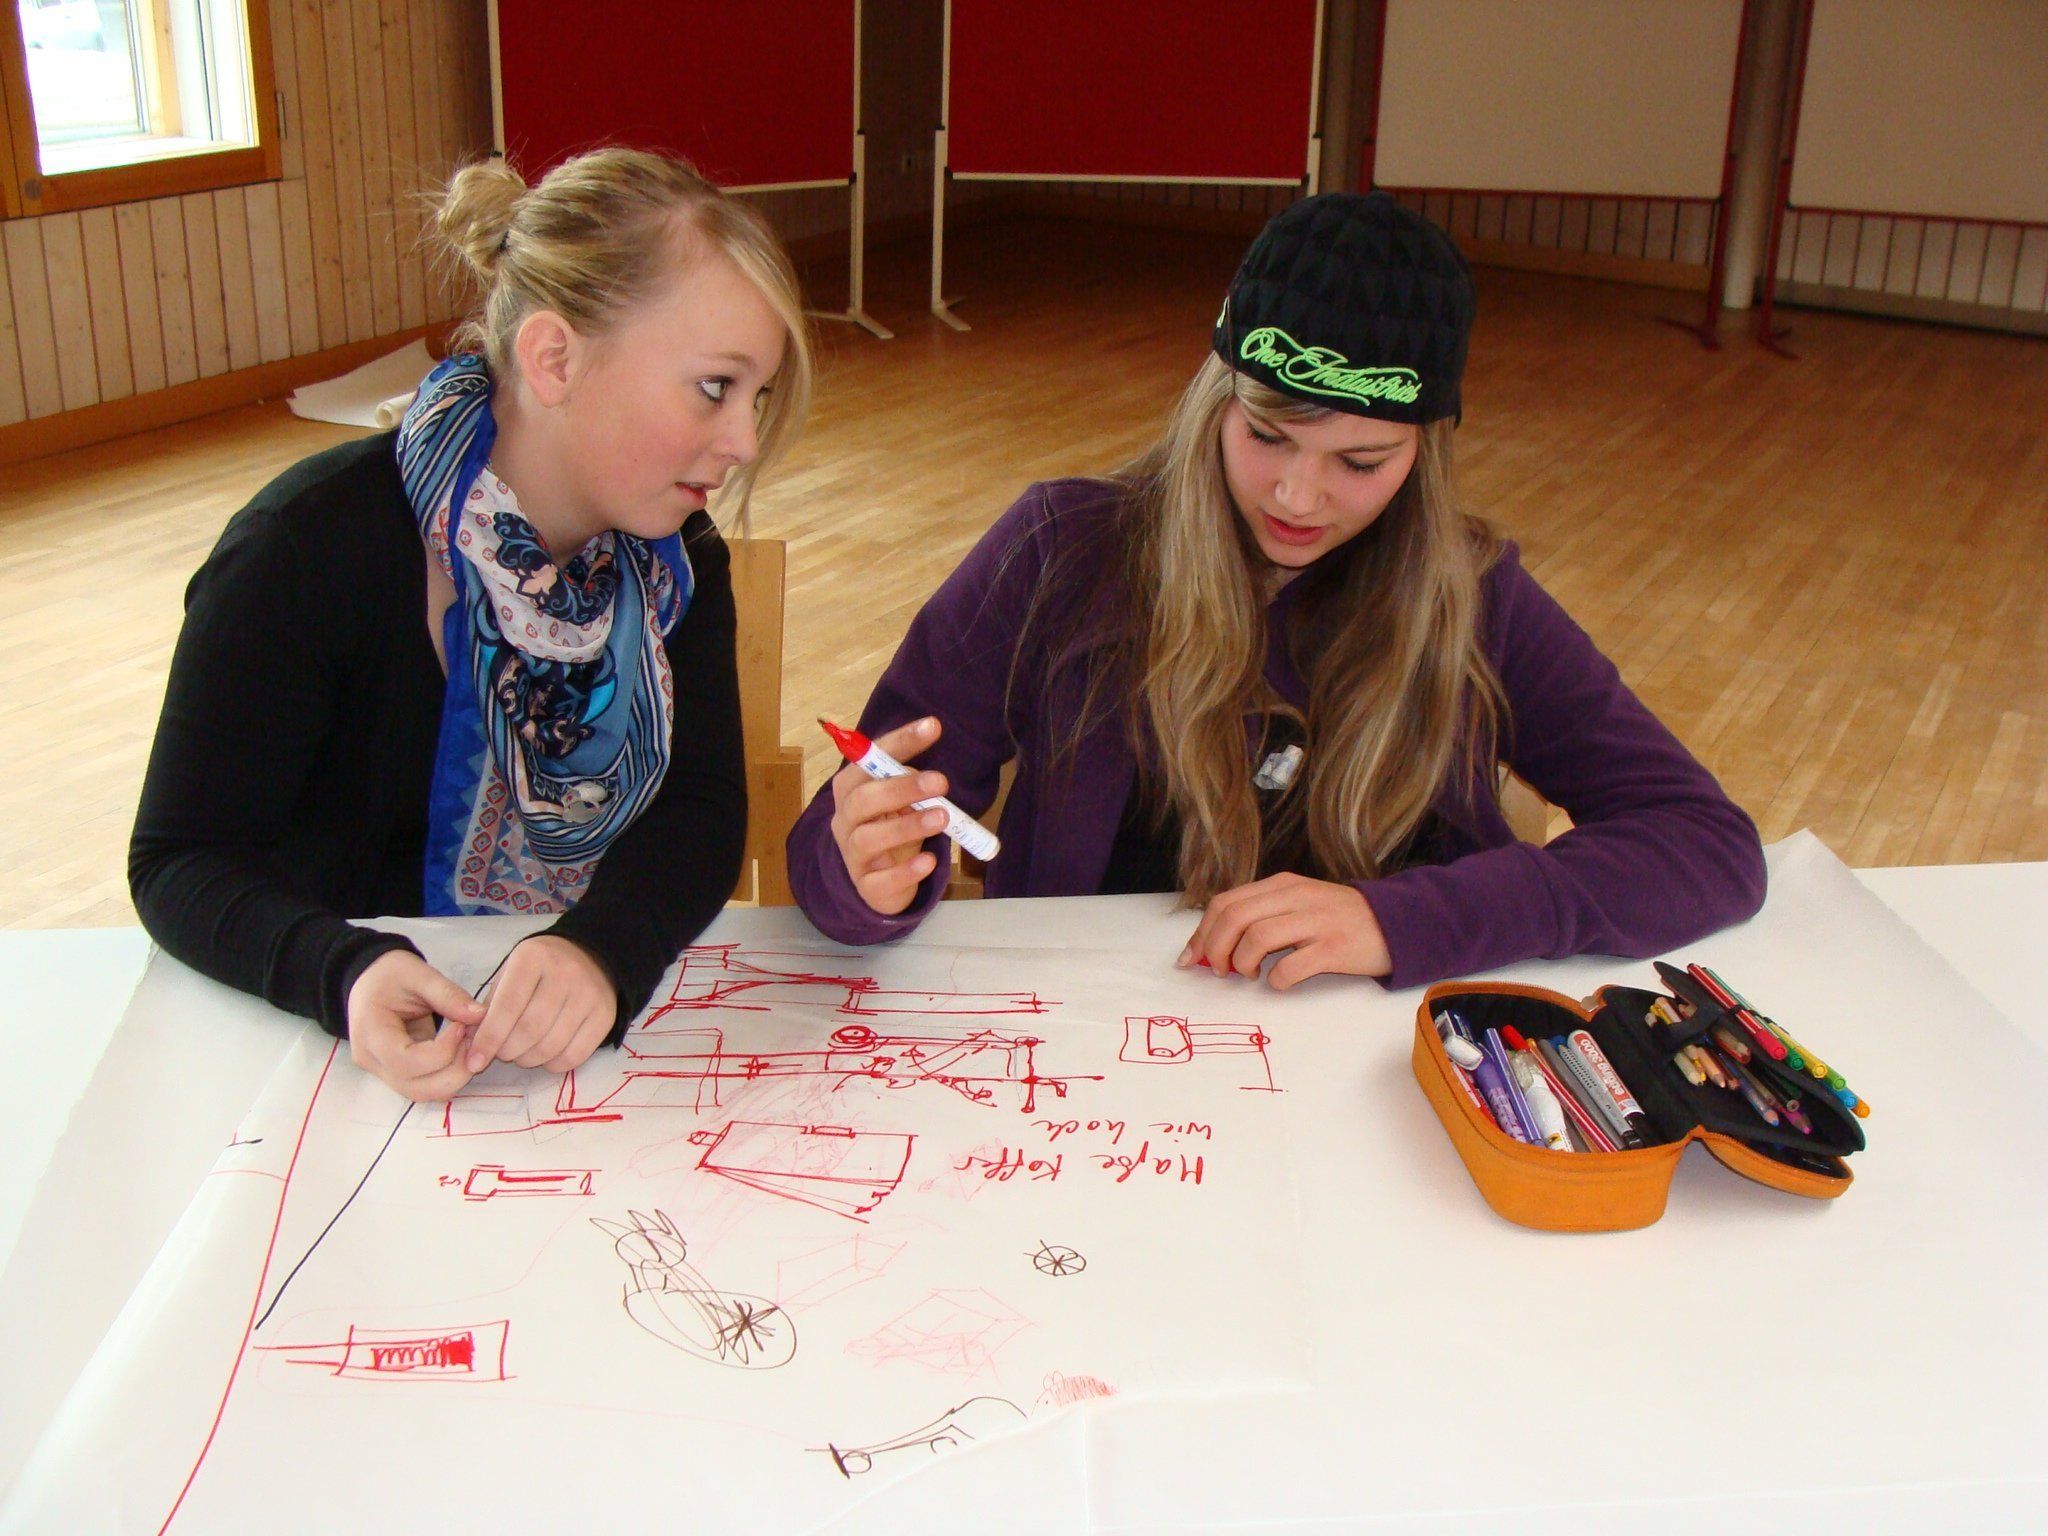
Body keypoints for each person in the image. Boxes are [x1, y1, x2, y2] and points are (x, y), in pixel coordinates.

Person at [786, 191, 1764, 989]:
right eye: (1265, 436)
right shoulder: (1061, 550)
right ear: (1215, 401)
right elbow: (854, 825)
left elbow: (1704, 843)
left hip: (1364, 1072)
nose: (1298, 497)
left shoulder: (1471, 595)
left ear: (1422, 453)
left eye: (1360, 462)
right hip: (1087, 1049)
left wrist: (1399, 919)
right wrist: (859, 876)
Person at [130, 148, 813, 1099]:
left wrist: (601, 950)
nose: (741, 441)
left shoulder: (679, 560)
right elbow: (180, 860)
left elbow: (700, 810)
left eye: (757, 397)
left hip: (569, 1082)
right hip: (327, 1068)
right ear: (554, 359)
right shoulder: (302, 548)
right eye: (713, 387)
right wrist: (342, 972)